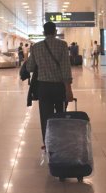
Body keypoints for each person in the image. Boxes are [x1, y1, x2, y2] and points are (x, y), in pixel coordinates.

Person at [26, 21, 74, 149]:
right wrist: (68, 89)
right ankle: (60, 142)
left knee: (45, 116)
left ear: (43, 33)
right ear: (55, 32)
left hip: (43, 87)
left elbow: (30, 67)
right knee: (60, 114)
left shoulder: (36, 47)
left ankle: (48, 143)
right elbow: (65, 68)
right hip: (59, 87)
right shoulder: (62, 45)